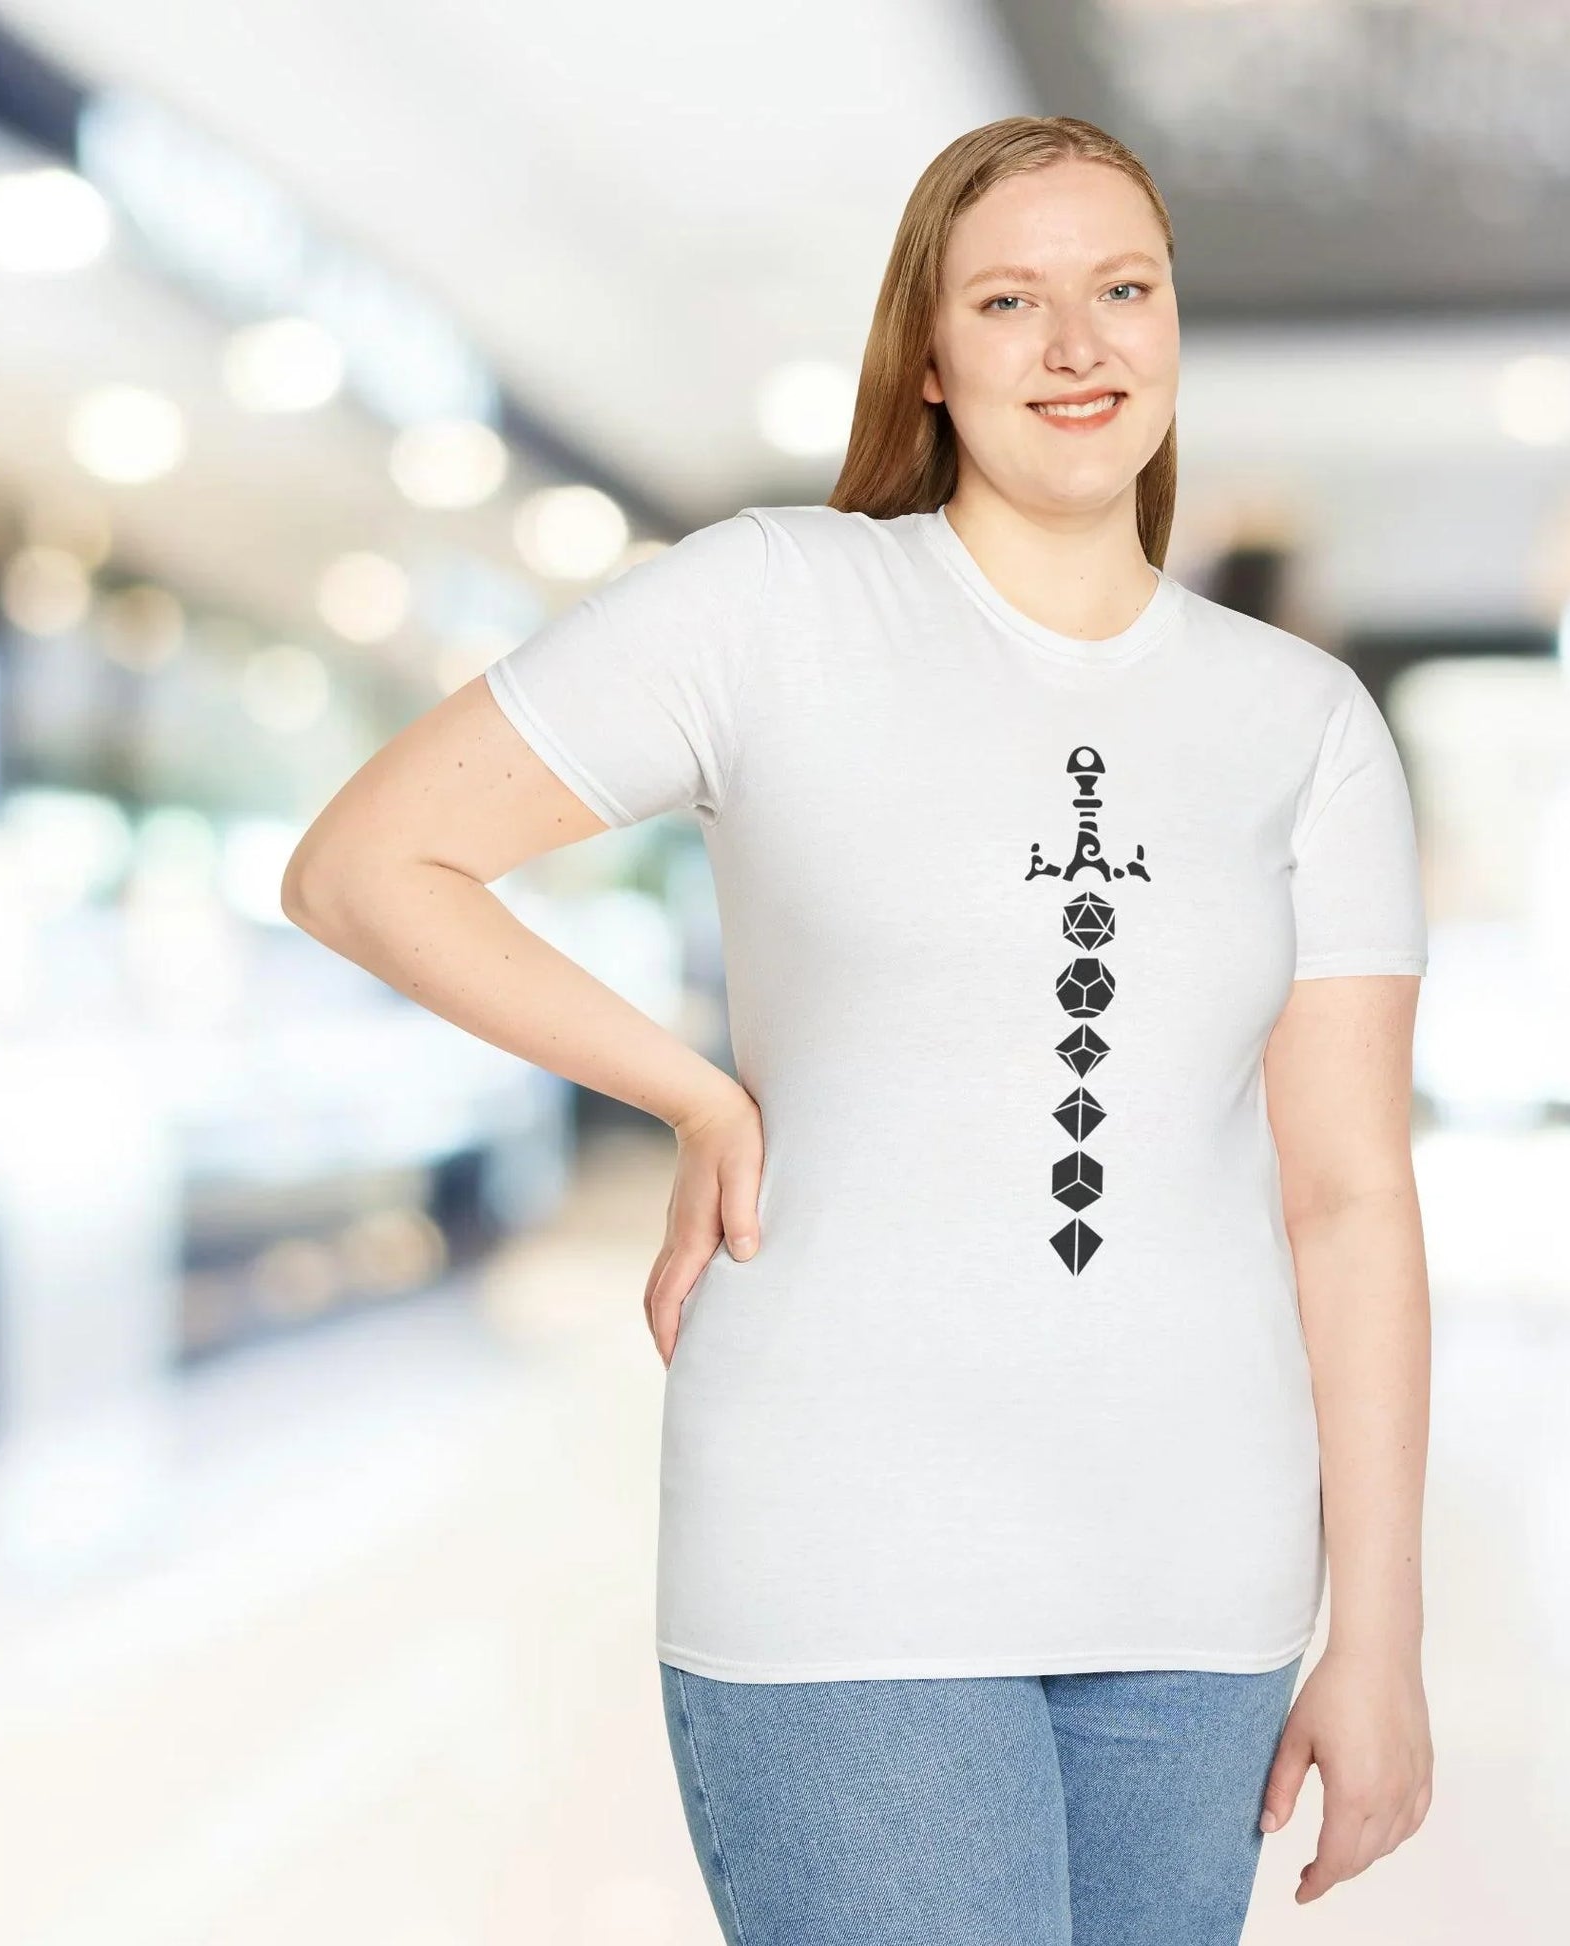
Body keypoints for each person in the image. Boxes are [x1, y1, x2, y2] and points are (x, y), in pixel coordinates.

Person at [283, 112, 1434, 1943]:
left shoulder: (1299, 720)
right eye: (1011, 298)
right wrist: (693, 1094)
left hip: (1201, 1580)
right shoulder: (773, 604)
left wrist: (1378, 1635)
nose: (1077, 344)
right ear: (931, 354)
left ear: (1172, 327)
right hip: (843, 1557)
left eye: (1121, 288)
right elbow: (368, 861)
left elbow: (1348, 1198)